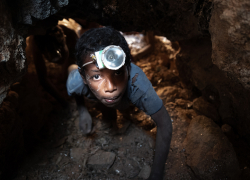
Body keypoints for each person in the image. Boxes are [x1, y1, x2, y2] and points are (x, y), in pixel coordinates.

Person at [66, 27, 172, 180]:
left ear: (128, 69)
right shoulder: (76, 81)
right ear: (83, 77)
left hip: (126, 96)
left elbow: (165, 124)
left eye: (117, 72)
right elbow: (72, 74)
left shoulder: (137, 85)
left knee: (121, 106)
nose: (110, 87)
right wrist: (83, 111)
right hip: (95, 94)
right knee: (109, 116)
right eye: (97, 77)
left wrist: (156, 174)